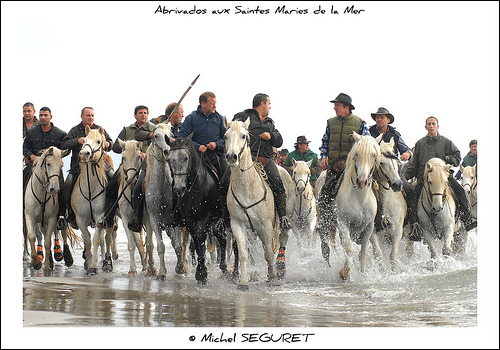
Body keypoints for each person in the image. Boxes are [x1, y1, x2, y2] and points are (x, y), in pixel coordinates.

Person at [226, 93, 292, 231]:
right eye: (269, 104)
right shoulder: (242, 116)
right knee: (223, 182)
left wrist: (271, 135)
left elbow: (279, 141)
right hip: (243, 160)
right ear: (262, 104)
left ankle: (283, 217)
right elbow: (231, 133)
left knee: (278, 182)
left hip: (265, 160)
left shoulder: (269, 122)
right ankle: (225, 220)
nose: (270, 107)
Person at [402, 116, 475, 240]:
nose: (431, 126)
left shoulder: (446, 142)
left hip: (443, 176)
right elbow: (414, 164)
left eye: (433, 124)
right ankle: (414, 226)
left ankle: (465, 219)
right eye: (429, 124)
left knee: (460, 190)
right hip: (424, 178)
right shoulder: (420, 143)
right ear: (425, 127)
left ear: (437, 126)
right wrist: (403, 177)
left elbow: (457, 158)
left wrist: (446, 159)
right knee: (413, 196)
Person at [315, 93, 370, 254]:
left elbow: (367, 142)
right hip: (335, 165)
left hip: (354, 165)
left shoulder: (359, 122)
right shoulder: (331, 123)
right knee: (326, 190)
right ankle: (324, 220)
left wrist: (357, 138)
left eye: (337, 105)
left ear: (346, 107)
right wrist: (324, 156)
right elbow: (325, 141)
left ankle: (376, 218)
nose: (334, 107)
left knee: (374, 188)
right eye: (335, 105)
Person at [127, 102, 185, 232]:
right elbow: (138, 134)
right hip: (152, 163)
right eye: (180, 112)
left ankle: (178, 216)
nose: (182, 115)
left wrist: (176, 141)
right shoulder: (155, 122)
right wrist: (153, 134)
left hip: (173, 164)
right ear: (173, 114)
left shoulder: (182, 127)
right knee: (138, 188)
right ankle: (136, 217)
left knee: (182, 186)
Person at [97, 105, 150, 228]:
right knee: (110, 188)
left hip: (147, 165)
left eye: (145, 113)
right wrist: (127, 147)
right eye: (140, 113)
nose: (143, 115)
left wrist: (145, 154)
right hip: (127, 167)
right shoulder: (127, 130)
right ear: (135, 115)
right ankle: (109, 219)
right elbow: (115, 147)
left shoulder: (152, 130)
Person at [61, 107, 113, 229]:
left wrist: (107, 144)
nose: (90, 118)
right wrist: (77, 141)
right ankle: (69, 213)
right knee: (67, 185)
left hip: (100, 166)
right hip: (78, 167)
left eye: (92, 116)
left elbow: (111, 142)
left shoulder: (100, 129)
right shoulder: (75, 130)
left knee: (114, 179)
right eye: (88, 115)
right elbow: (64, 144)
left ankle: (112, 211)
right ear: (82, 117)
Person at [23, 106, 68, 229]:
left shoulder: (60, 133)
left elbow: (66, 148)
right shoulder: (31, 132)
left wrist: (58, 156)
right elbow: (25, 147)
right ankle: (23, 212)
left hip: (52, 168)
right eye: (41, 115)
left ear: (50, 117)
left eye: (45, 115)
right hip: (34, 165)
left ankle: (62, 216)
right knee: (22, 181)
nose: (43, 117)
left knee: (62, 188)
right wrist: (31, 156)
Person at [177, 91, 228, 178]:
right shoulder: (191, 118)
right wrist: (197, 146)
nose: (215, 106)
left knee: (227, 176)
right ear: (203, 104)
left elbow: (226, 138)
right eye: (212, 104)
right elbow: (182, 137)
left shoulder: (220, 119)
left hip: (217, 155)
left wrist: (216, 144)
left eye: (215, 103)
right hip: (195, 155)